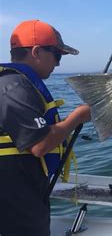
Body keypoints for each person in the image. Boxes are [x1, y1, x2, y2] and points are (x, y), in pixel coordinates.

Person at [0, 19, 91, 236]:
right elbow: (39, 144)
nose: (58, 64)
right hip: (14, 204)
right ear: (36, 51)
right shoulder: (13, 87)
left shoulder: (17, 84)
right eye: (57, 55)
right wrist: (77, 118)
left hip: (24, 195)